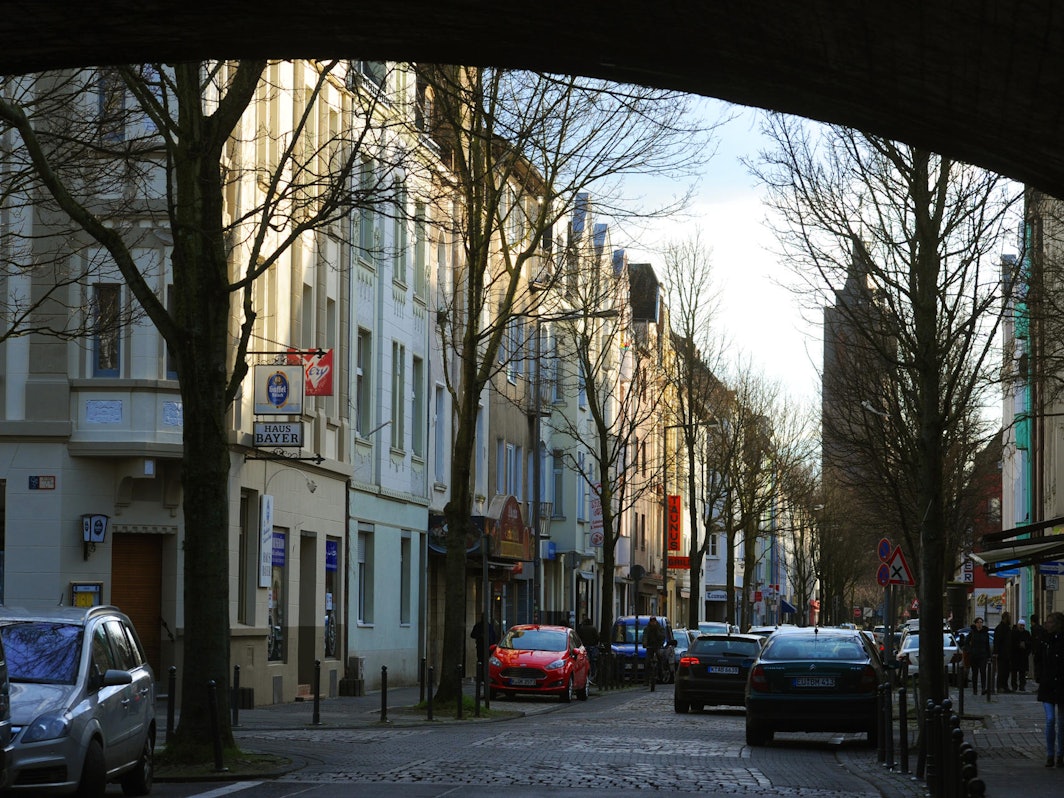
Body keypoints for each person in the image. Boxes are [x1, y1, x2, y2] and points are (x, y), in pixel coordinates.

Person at [1035, 611, 1064, 767]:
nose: (1047, 624)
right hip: (1047, 685)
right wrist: (1039, 676)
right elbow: (1037, 658)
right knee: (1050, 719)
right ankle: (1050, 754)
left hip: (1061, 685)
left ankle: (1060, 754)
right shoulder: (1044, 639)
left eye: (1050, 622)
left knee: (1062, 722)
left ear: (1058, 624)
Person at [962, 616, 992, 695]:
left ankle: (983, 688)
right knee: (974, 673)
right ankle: (975, 690)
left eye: (981, 622)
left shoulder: (985, 633)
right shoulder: (972, 633)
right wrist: (970, 650)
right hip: (974, 656)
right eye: (978, 622)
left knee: (983, 672)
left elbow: (987, 645)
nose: (979, 624)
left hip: (983, 655)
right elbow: (966, 643)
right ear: (975, 624)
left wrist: (989, 656)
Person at [470, 614, 497, 680]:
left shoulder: (489, 626)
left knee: (486, 662)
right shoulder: (479, 626)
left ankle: (485, 676)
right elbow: (473, 635)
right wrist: (480, 636)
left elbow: (493, 637)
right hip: (481, 647)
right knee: (481, 662)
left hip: (488, 648)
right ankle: (482, 677)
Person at [643, 616, 666, 685]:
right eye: (651, 621)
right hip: (650, 647)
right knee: (647, 662)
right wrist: (645, 643)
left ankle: (661, 674)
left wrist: (657, 631)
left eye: (654, 621)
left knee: (660, 657)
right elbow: (645, 636)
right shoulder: (647, 629)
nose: (653, 623)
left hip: (657, 646)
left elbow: (662, 637)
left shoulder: (660, 628)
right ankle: (646, 680)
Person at [1011, 617, 1032, 691]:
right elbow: (1011, 644)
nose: (1022, 627)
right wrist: (1018, 645)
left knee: (1022, 673)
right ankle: (1014, 686)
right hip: (1015, 655)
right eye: (1020, 625)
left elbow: (1030, 643)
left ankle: (1022, 686)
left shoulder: (1027, 633)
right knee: (1014, 672)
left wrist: (1025, 645)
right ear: (1018, 625)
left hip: (1023, 656)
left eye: (1023, 625)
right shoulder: (1014, 633)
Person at [994, 611, 1013, 692]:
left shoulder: (1007, 628)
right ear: (1005, 618)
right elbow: (997, 641)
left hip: (1007, 653)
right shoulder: (1000, 628)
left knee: (1006, 671)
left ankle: (1005, 686)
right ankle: (1000, 686)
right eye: (1009, 617)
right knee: (1001, 671)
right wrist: (996, 652)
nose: (1010, 619)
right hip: (1002, 653)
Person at [578, 616, 600, 682]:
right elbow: (597, 637)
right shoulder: (593, 629)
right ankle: (593, 674)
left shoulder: (582, 629)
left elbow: (579, 638)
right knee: (593, 661)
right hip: (592, 646)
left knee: (585, 661)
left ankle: (585, 674)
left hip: (584, 647)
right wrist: (595, 644)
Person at [1032, 613, 1048, 684]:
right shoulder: (1040, 629)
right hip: (1040, 651)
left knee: (1038, 669)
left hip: (1038, 652)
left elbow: (1036, 641)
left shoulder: (1036, 629)